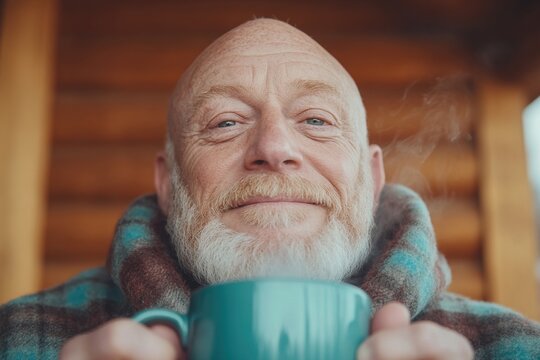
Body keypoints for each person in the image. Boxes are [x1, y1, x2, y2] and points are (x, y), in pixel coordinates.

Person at [1, 18, 539, 359]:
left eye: (318, 121)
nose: (275, 146)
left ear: (372, 179)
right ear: (168, 184)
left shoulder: (511, 347)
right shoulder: (25, 337)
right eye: (226, 122)